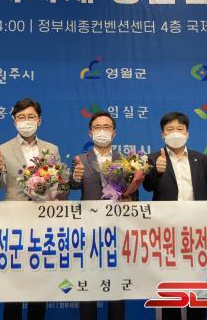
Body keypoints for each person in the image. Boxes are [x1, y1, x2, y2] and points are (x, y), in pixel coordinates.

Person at [143, 111, 207, 320]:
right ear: (162, 134)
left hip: (196, 231)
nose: (175, 133)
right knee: (171, 286)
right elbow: (148, 187)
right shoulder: (153, 158)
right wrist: (157, 171)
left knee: (197, 286)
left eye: (180, 129)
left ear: (187, 133)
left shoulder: (201, 159)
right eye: (170, 129)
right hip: (167, 231)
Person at [0, 98, 62, 320]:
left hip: (43, 223)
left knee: (39, 281)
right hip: (14, 222)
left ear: (39, 120)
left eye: (31, 116)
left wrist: (49, 191)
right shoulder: (2, 149)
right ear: (14, 121)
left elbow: (58, 184)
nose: (26, 121)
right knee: (13, 282)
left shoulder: (51, 149)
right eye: (21, 117)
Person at [69, 111, 126, 320]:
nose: (102, 131)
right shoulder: (81, 159)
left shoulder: (125, 160)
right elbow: (72, 185)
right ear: (90, 132)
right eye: (97, 127)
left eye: (107, 127)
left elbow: (132, 193)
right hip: (89, 230)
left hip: (117, 230)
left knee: (117, 285)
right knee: (88, 283)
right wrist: (75, 177)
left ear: (114, 133)